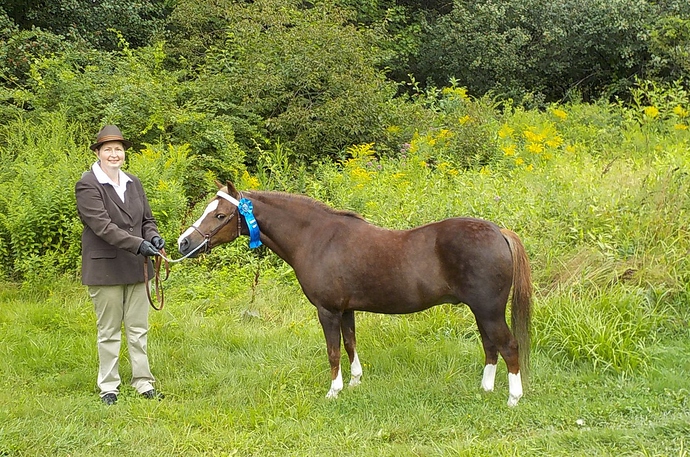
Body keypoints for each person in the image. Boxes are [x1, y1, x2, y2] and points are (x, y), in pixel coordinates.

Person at [75, 124, 166, 405]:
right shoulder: (87, 184)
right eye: (108, 149)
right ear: (98, 153)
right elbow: (102, 226)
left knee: (139, 328)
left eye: (118, 149)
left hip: (137, 267)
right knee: (109, 330)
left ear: (124, 153)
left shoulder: (134, 182)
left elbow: (146, 220)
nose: (114, 154)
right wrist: (138, 244)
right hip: (105, 269)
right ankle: (109, 386)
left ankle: (143, 382)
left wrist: (153, 236)